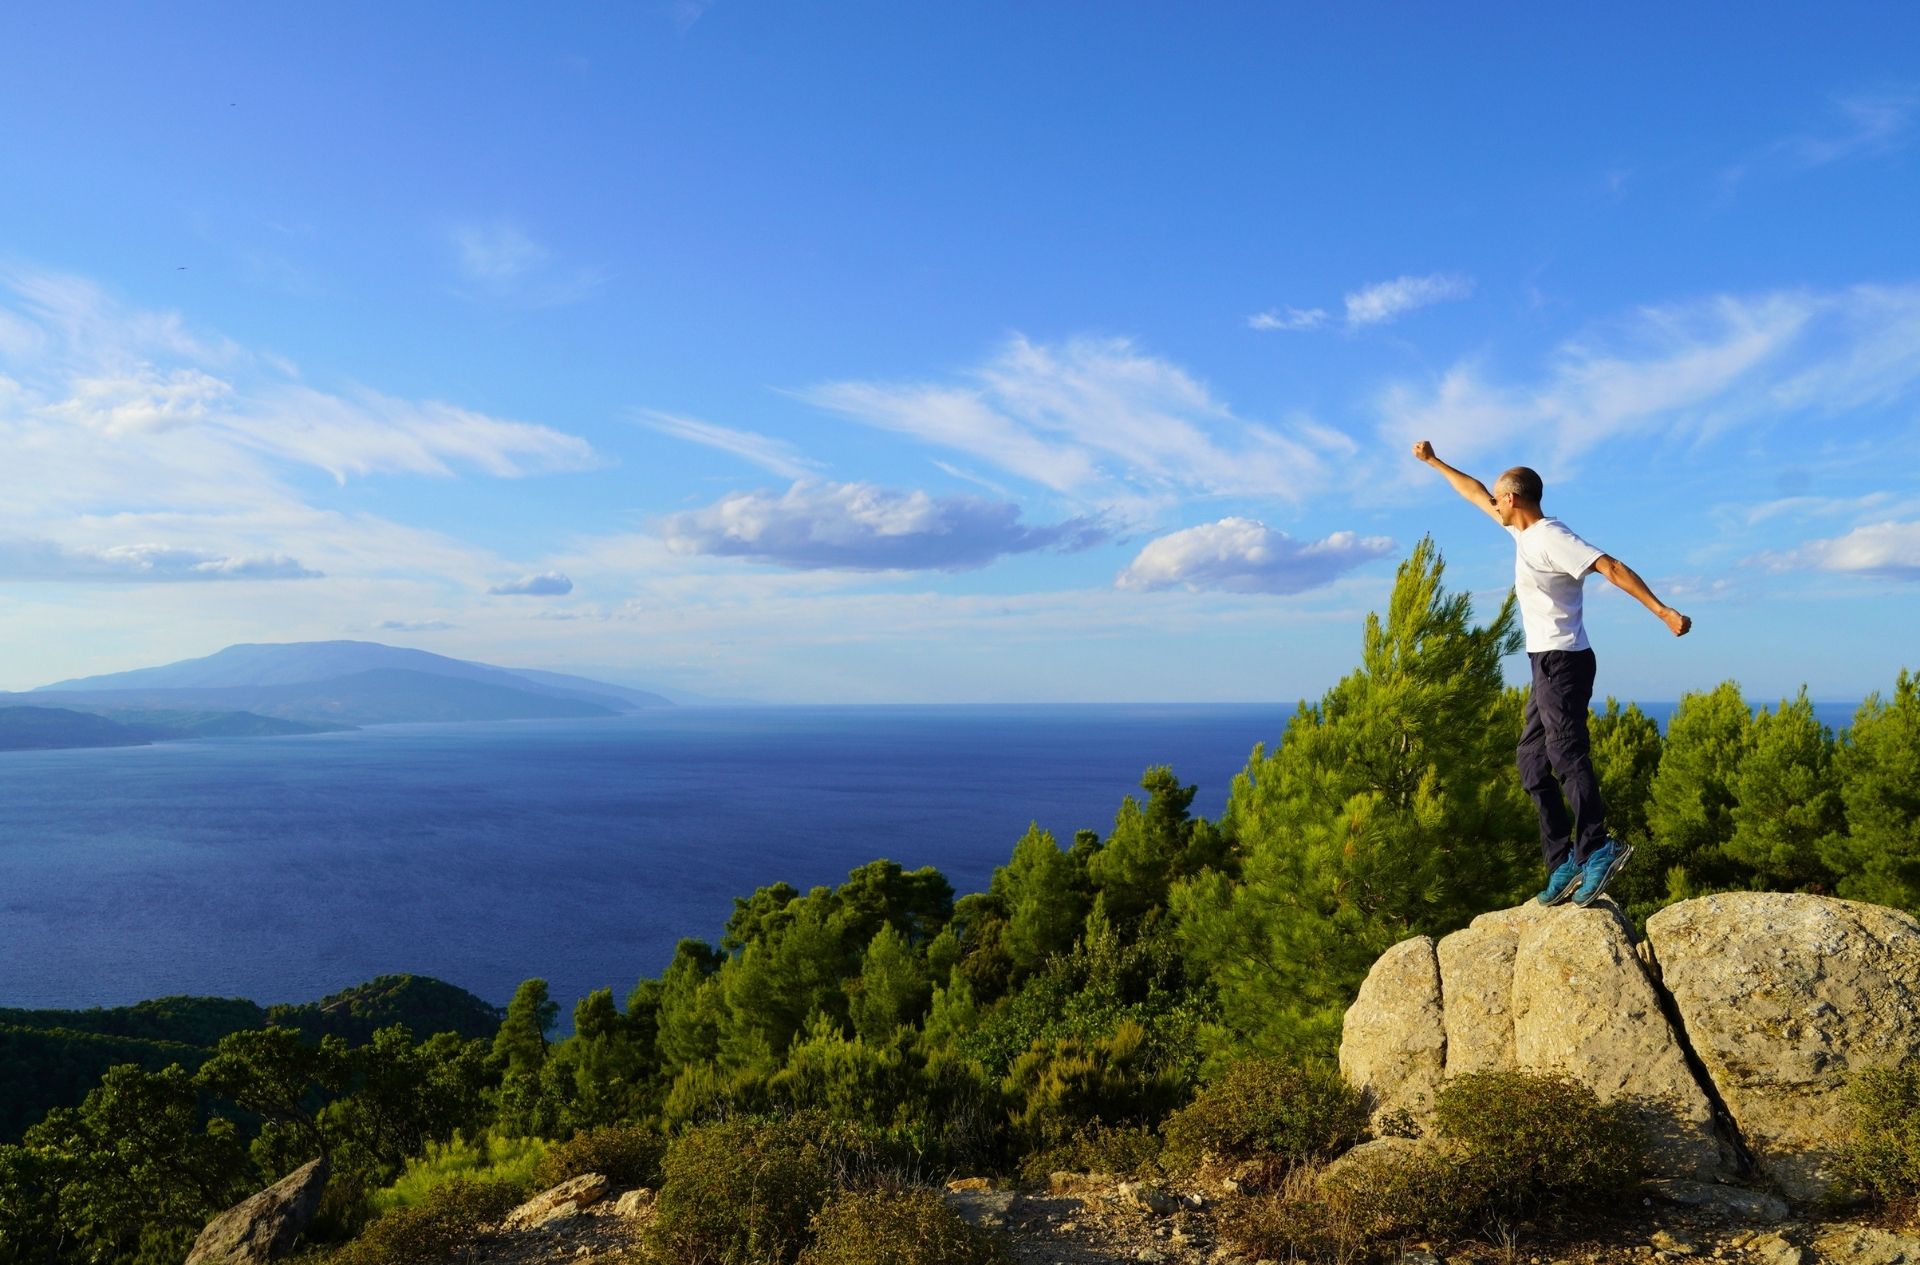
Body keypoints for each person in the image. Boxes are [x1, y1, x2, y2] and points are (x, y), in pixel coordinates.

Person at [1412, 440, 1691, 908]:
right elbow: (1473, 491)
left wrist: (1662, 612)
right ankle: (1564, 861)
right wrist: (1434, 461)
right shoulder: (1522, 533)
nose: (1492, 503)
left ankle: (1598, 845)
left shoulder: (1550, 536)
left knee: (1565, 754)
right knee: (1532, 764)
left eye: (1499, 498)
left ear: (1515, 499)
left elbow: (1610, 566)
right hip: (1543, 663)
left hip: (1565, 662)